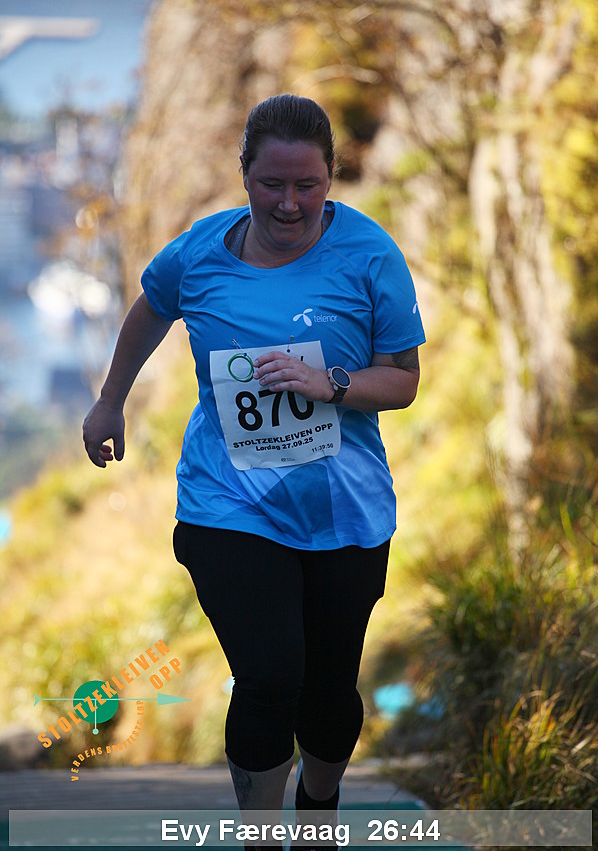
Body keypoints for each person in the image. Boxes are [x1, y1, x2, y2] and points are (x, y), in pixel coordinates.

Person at [83, 94, 425, 825]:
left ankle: (318, 806)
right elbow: (151, 307)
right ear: (244, 175)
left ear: (331, 177)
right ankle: (261, 837)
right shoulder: (199, 253)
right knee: (269, 677)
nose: (290, 203)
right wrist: (110, 400)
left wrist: (329, 383)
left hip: (343, 510)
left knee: (329, 696)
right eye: (272, 184)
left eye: (308, 185)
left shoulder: (370, 255)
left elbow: (403, 380)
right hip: (229, 503)